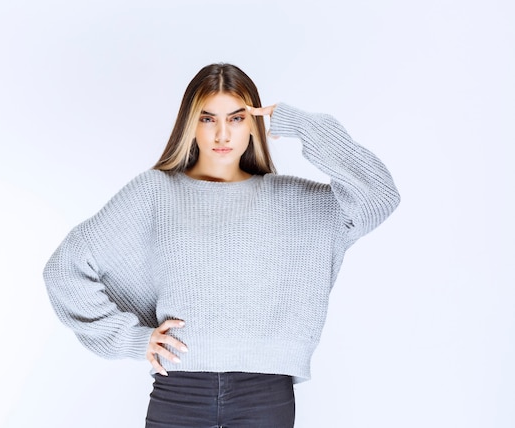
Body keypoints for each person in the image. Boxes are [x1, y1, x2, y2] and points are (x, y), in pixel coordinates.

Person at [43, 63, 400, 427]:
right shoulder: (156, 193)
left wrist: (303, 125)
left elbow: (379, 195)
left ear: (254, 123)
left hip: (265, 396)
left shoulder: (298, 202)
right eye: (208, 119)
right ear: (190, 124)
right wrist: (132, 339)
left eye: (237, 118)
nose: (222, 133)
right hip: (180, 392)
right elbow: (65, 269)